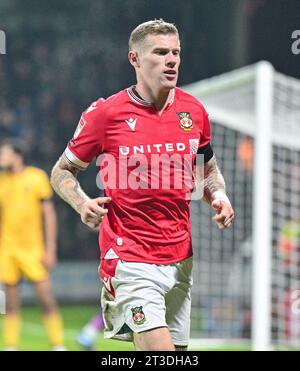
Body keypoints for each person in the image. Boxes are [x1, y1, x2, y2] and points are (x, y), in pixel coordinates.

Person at [50, 19, 234, 351]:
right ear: (135, 59)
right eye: (160, 52)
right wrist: (82, 204)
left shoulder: (193, 112)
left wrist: (218, 194)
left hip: (180, 258)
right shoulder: (106, 114)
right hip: (130, 257)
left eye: (176, 52)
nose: (172, 60)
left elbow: (207, 171)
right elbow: (62, 171)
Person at [0, 139, 65, 351]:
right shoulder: (1, 181)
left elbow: (49, 215)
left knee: (46, 298)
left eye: (4, 154)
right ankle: (11, 346)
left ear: (17, 156)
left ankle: (57, 344)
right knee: (10, 301)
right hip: (7, 249)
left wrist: (50, 248)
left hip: (33, 248)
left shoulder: (36, 177)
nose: (1, 158)